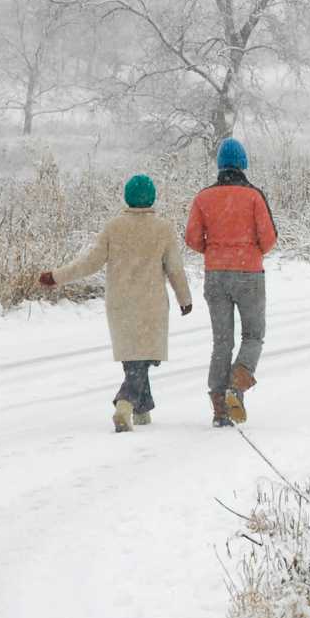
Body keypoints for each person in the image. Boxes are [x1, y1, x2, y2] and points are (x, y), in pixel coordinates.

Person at [41, 175, 193, 433]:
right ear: (152, 198)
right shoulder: (163, 228)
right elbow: (175, 270)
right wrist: (185, 299)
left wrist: (57, 276)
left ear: (127, 197)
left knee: (134, 358)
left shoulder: (114, 227)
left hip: (121, 305)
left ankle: (142, 411)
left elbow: (90, 263)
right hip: (151, 304)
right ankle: (124, 404)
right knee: (141, 358)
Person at [185, 138, 278, 428]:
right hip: (248, 273)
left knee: (221, 342)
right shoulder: (253, 196)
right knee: (253, 335)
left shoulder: (203, 198)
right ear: (243, 164)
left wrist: (215, 252)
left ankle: (219, 410)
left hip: (215, 275)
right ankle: (236, 387)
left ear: (219, 165)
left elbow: (191, 239)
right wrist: (248, 253)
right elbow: (269, 238)